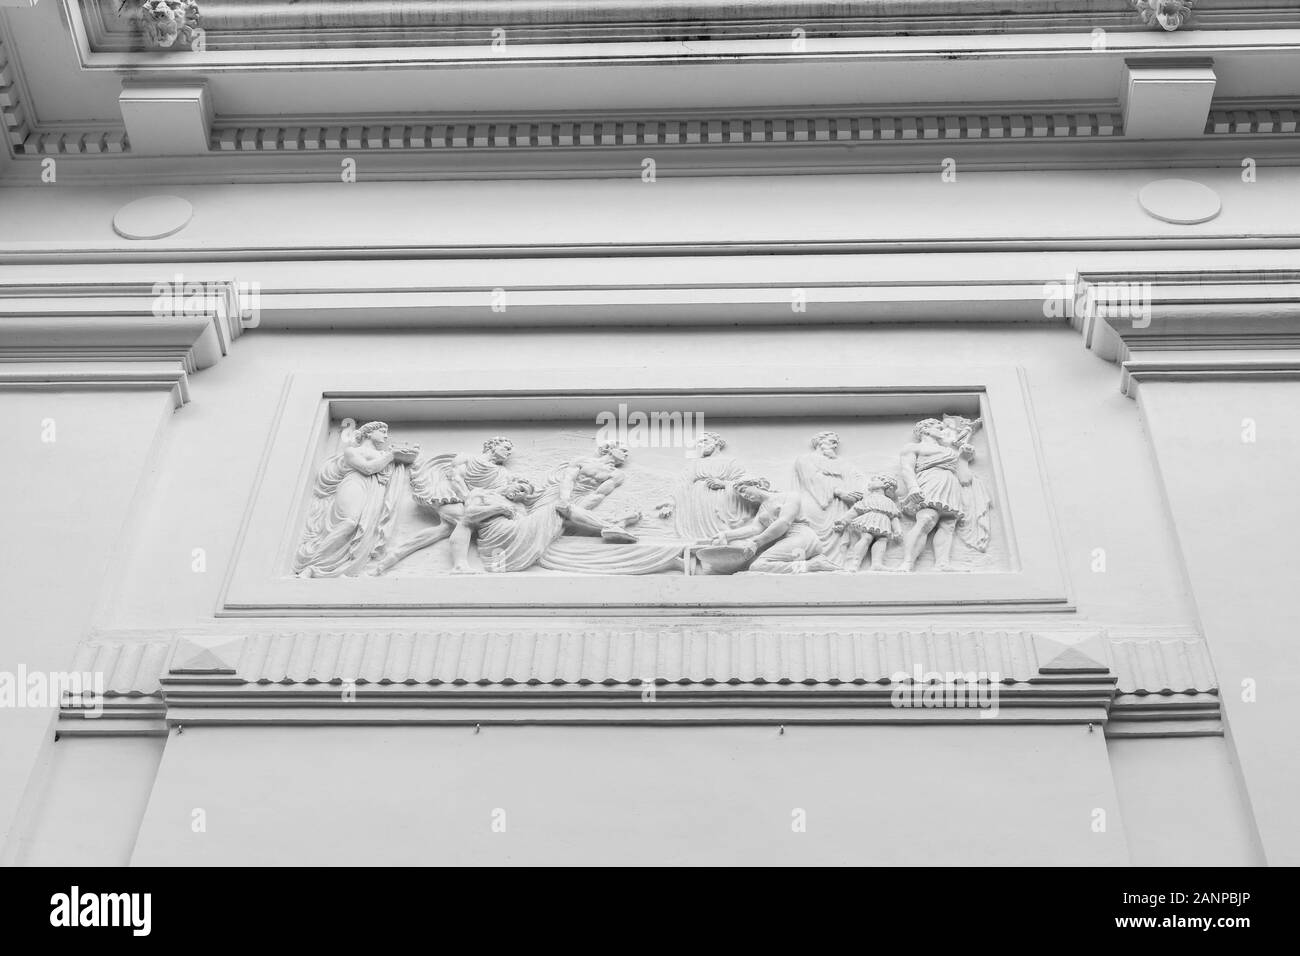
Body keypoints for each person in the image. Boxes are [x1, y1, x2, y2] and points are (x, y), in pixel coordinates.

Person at [294, 419, 419, 578]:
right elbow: (367, 468)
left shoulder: (382, 454)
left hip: (374, 492)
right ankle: (312, 566)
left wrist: (407, 453)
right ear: (369, 432)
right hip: (355, 484)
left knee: (366, 528)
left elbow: (405, 460)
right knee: (349, 522)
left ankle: (345, 568)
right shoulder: (352, 451)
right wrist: (392, 455)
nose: (386, 437)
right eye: (382, 432)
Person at [711, 476, 841, 574]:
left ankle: (812, 566)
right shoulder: (762, 510)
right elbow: (754, 529)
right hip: (790, 542)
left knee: (759, 566)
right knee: (757, 566)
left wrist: (757, 542)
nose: (745, 496)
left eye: (744, 490)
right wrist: (726, 535)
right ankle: (809, 565)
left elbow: (784, 522)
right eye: (742, 495)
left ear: (757, 484)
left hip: (801, 538)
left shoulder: (789, 496)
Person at [834, 474, 903, 571]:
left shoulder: (889, 502)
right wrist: (843, 521)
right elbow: (855, 510)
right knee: (866, 537)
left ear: (885, 485)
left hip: (883, 522)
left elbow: (893, 516)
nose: (870, 482)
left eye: (875, 479)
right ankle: (855, 563)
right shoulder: (868, 498)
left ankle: (877, 564)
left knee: (882, 540)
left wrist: (898, 530)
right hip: (869, 519)